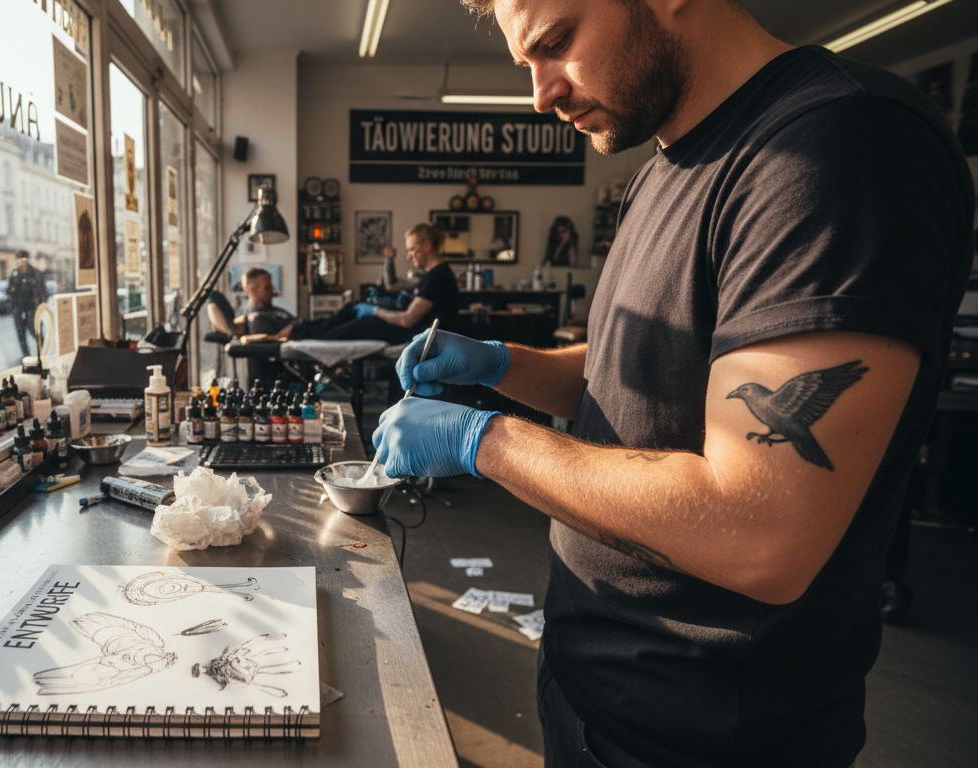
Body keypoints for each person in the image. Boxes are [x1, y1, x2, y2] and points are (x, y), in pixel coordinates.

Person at [371, 1, 974, 767]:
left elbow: (760, 533)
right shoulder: (665, 165)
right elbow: (645, 375)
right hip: (592, 684)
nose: (540, 94)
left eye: (556, 44)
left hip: (705, 732)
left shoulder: (839, 147)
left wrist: (484, 440)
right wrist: (500, 364)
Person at [7, 251, 48, 357]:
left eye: (23, 260)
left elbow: (43, 291)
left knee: (37, 333)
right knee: (21, 335)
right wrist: (11, 293)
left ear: (27, 260)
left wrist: (42, 305)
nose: (21, 263)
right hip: (18, 308)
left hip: (32, 308)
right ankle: (26, 357)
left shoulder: (35, 273)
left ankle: (42, 355)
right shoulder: (15, 274)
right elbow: (8, 290)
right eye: (19, 261)